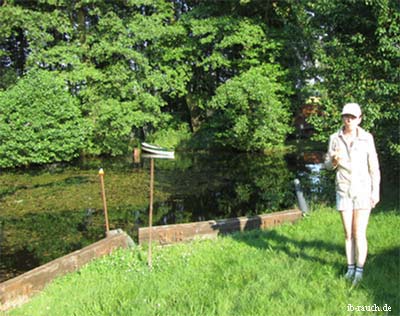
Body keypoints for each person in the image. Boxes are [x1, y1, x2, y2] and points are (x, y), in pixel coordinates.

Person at [324, 102, 380, 285]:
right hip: (343, 189)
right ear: (342, 117)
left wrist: (375, 192)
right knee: (348, 233)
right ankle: (349, 268)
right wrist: (333, 161)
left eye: (353, 117)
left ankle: (359, 270)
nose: (348, 120)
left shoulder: (367, 138)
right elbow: (327, 165)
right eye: (346, 116)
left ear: (359, 119)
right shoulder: (334, 138)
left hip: (363, 190)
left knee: (359, 233)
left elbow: (374, 168)